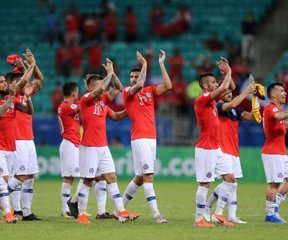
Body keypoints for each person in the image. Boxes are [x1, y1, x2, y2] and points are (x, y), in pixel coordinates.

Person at [68, 59, 139, 224]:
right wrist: (109, 73)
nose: (104, 89)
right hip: (89, 147)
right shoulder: (85, 100)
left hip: (103, 147)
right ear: (92, 87)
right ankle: (82, 215)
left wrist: (131, 110)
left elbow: (119, 89)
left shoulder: (102, 102)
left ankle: (121, 211)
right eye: (101, 86)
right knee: (87, 180)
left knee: (111, 177)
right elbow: (103, 88)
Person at [121, 50, 172, 223]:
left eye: (136, 76)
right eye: (132, 77)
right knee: (149, 176)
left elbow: (168, 86)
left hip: (151, 138)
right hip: (140, 138)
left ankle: (118, 209)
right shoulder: (127, 92)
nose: (134, 79)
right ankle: (157, 215)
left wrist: (161, 64)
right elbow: (139, 84)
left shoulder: (149, 91)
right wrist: (144, 65)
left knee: (140, 178)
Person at [204, 83, 257, 224]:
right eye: (226, 92)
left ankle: (230, 215)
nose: (229, 94)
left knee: (233, 183)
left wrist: (255, 98)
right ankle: (214, 211)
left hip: (233, 150)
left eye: (230, 92)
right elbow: (232, 104)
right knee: (230, 182)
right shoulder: (218, 106)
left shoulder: (235, 111)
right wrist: (246, 91)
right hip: (222, 149)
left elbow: (252, 116)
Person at [193, 58, 237, 227]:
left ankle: (218, 214)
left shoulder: (212, 101)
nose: (215, 84)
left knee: (230, 179)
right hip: (205, 148)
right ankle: (199, 219)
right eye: (212, 82)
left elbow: (230, 88)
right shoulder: (202, 99)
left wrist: (227, 73)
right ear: (205, 86)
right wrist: (229, 70)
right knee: (205, 184)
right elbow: (225, 87)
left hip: (216, 148)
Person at [6, 49, 43, 221]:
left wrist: (30, 64)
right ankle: (10, 206)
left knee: (29, 176)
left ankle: (25, 212)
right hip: (18, 140)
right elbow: (25, 82)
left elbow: (39, 80)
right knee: (19, 176)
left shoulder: (24, 96)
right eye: (18, 81)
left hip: (29, 139)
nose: (23, 84)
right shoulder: (11, 97)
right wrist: (30, 64)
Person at [0, 58, 35, 223]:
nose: (3, 84)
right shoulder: (8, 100)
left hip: (11, 147)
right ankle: (8, 213)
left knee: (9, 180)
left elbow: (29, 111)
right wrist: (10, 98)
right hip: (0, 148)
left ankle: (10, 212)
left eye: (3, 81)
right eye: (0, 82)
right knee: (4, 181)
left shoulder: (13, 99)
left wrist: (27, 98)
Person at [261, 83, 288, 223]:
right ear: (273, 95)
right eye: (282, 91)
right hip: (272, 152)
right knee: (274, 184)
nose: (285, 93)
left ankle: (275, 205)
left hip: (281, 152)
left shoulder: (279, 111)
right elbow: (278, 116)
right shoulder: (271, 108)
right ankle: (270, 215)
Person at [58, 82, 80, 218]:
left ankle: (72, 207)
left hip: (74, 144)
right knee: (68, 178)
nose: (78, 95)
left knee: (71, 178)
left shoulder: (68, 107)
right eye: (77, 92)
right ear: (73, 93)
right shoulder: (65, 107)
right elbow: (83, 106)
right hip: (69, 144)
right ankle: (65, 210)